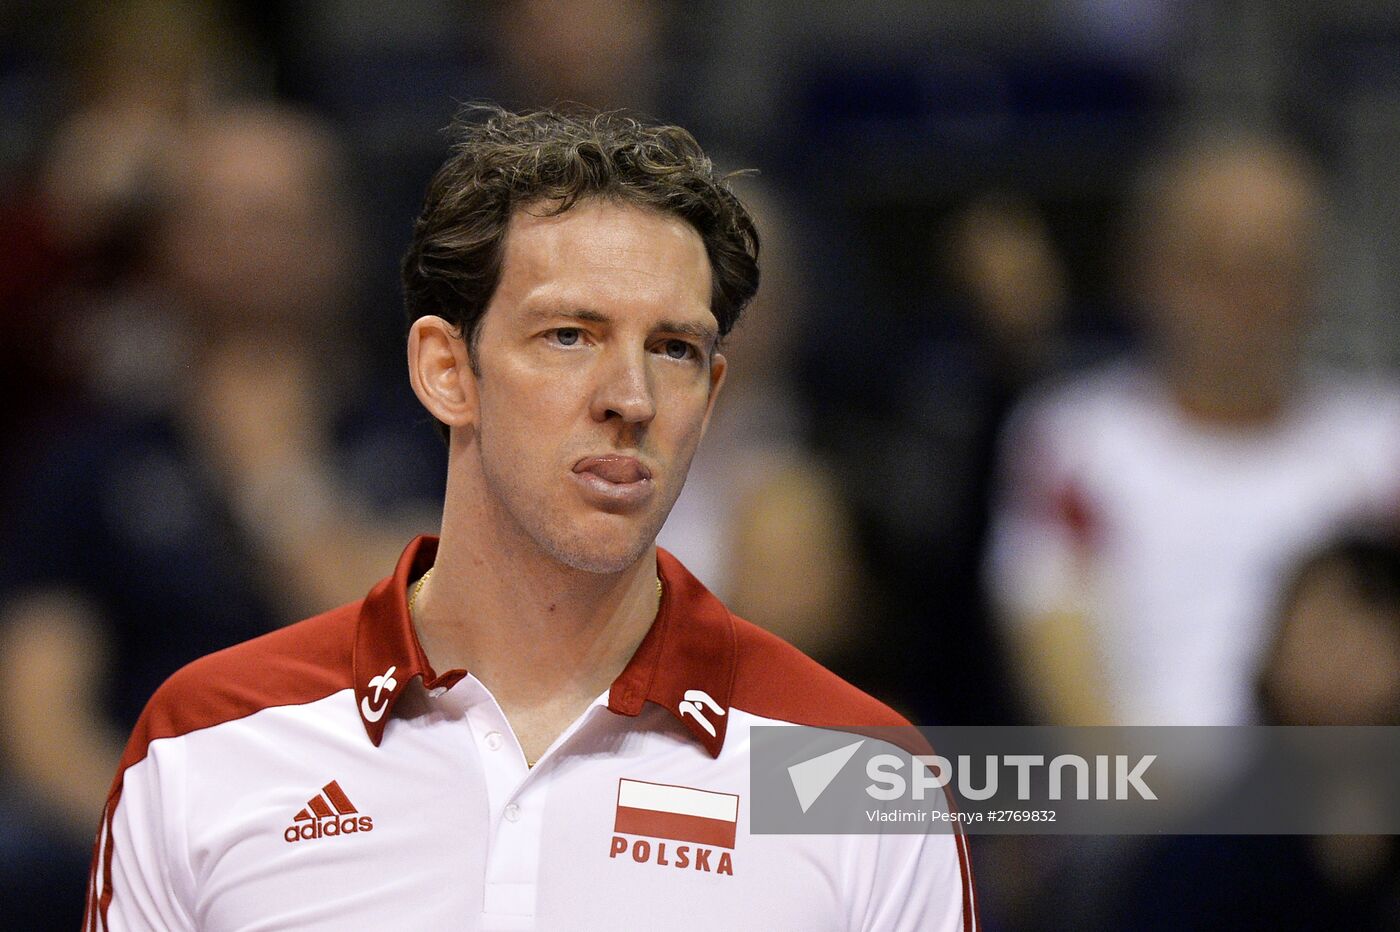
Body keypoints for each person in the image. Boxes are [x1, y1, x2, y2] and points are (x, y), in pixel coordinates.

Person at [83, 106, 976, 930]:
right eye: (569, 336)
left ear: (711, 395)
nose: (631, 397)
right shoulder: (203, 741)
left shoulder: (862, 773)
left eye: (673, 350)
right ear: (445, 371)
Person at [985, 131, 1400, 727]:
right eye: (1211, 264)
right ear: (1145, 270)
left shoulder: (1382, 443)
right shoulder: (1072, 440)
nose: (1243, 298)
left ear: (1316, 279)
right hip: (1145, 800)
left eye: (1271, 267)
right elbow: (1065, 679)